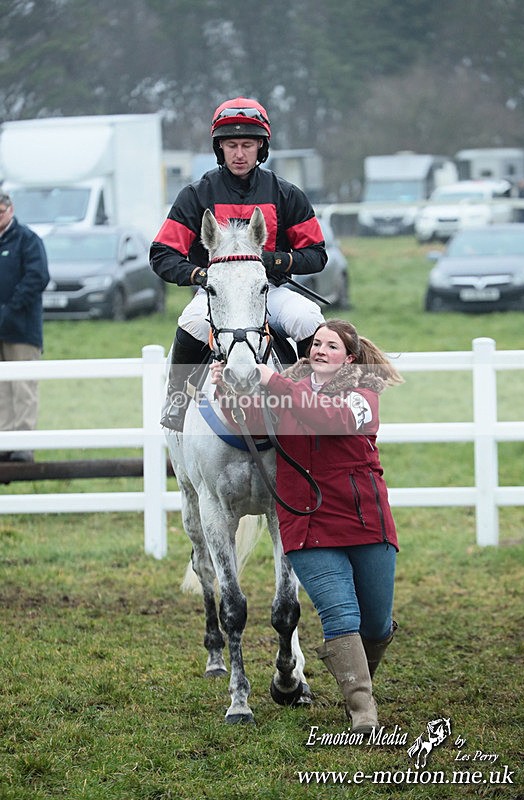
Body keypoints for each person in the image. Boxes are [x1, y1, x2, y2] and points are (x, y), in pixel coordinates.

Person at [211, 319, 403, 733]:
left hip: (364, 517)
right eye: (316, 343)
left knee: (377, 624)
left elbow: (330, 418)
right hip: (308, 521)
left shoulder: (363, 393)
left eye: (331, 346)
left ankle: (356, 677)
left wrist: (274, 384)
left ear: (348, 358)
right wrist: (226, 391)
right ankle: (362, 710)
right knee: (340, 614)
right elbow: (251, 426)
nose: (319, 350)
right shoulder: (284, 389)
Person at [150, 96, 327, 430]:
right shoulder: (196, 195)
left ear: (262, 147)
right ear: (220, 149)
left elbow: (317, 253)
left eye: (248, 144)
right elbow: (161, 253)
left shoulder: (287, 194)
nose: (240, 153)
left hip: (269, 291)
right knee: (192, 322)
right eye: (231, 145)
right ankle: (177, 399)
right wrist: (198, 275)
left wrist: (275, 260)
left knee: (308, 318)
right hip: (217, 295)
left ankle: (319, 400)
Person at [0, 192, 49, 463]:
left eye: (1, 211)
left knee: (23, 386)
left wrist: (10, 309)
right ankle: (5, 440)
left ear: (10, 209)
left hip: (22, 329)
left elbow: (37, 276)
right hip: (1, 326)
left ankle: (24, 443)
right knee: (2, 388)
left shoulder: (27, 239)